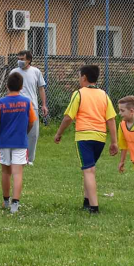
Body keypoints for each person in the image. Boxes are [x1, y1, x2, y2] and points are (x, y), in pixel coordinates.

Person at [53, 65, 118, 213]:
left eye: (79, 77)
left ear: (84, 78)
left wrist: (59, 133)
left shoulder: (79, 94)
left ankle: (94, 207)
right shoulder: (104, 95)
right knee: (88, 169)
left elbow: (69, 117)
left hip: (84, 137)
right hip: (100, 138)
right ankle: (86, 202)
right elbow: (111, 120)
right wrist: (114, 142)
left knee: (89, 171)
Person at [0, 72, 37, 213]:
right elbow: (32, 121)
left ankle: (6, 201)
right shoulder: (27, 102)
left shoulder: (1, 103)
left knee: (6, 172)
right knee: (17, 173)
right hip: (20, 142)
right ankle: (15, 204)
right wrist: (25, 131)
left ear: (7, 86)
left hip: (4, 142)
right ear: (22, 87)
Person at [9, 50, 48, 165]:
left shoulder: (36, 72)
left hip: (32, 106)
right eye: (18, 59)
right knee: (17, 132)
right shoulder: (14, 72)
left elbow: (41, 88)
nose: (19, 61)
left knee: (33, 134)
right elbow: (10, 89)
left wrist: (44, 105)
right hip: (17, 107)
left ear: (29, 60)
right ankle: (16, 157)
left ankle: (29, 159)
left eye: (22, 59)